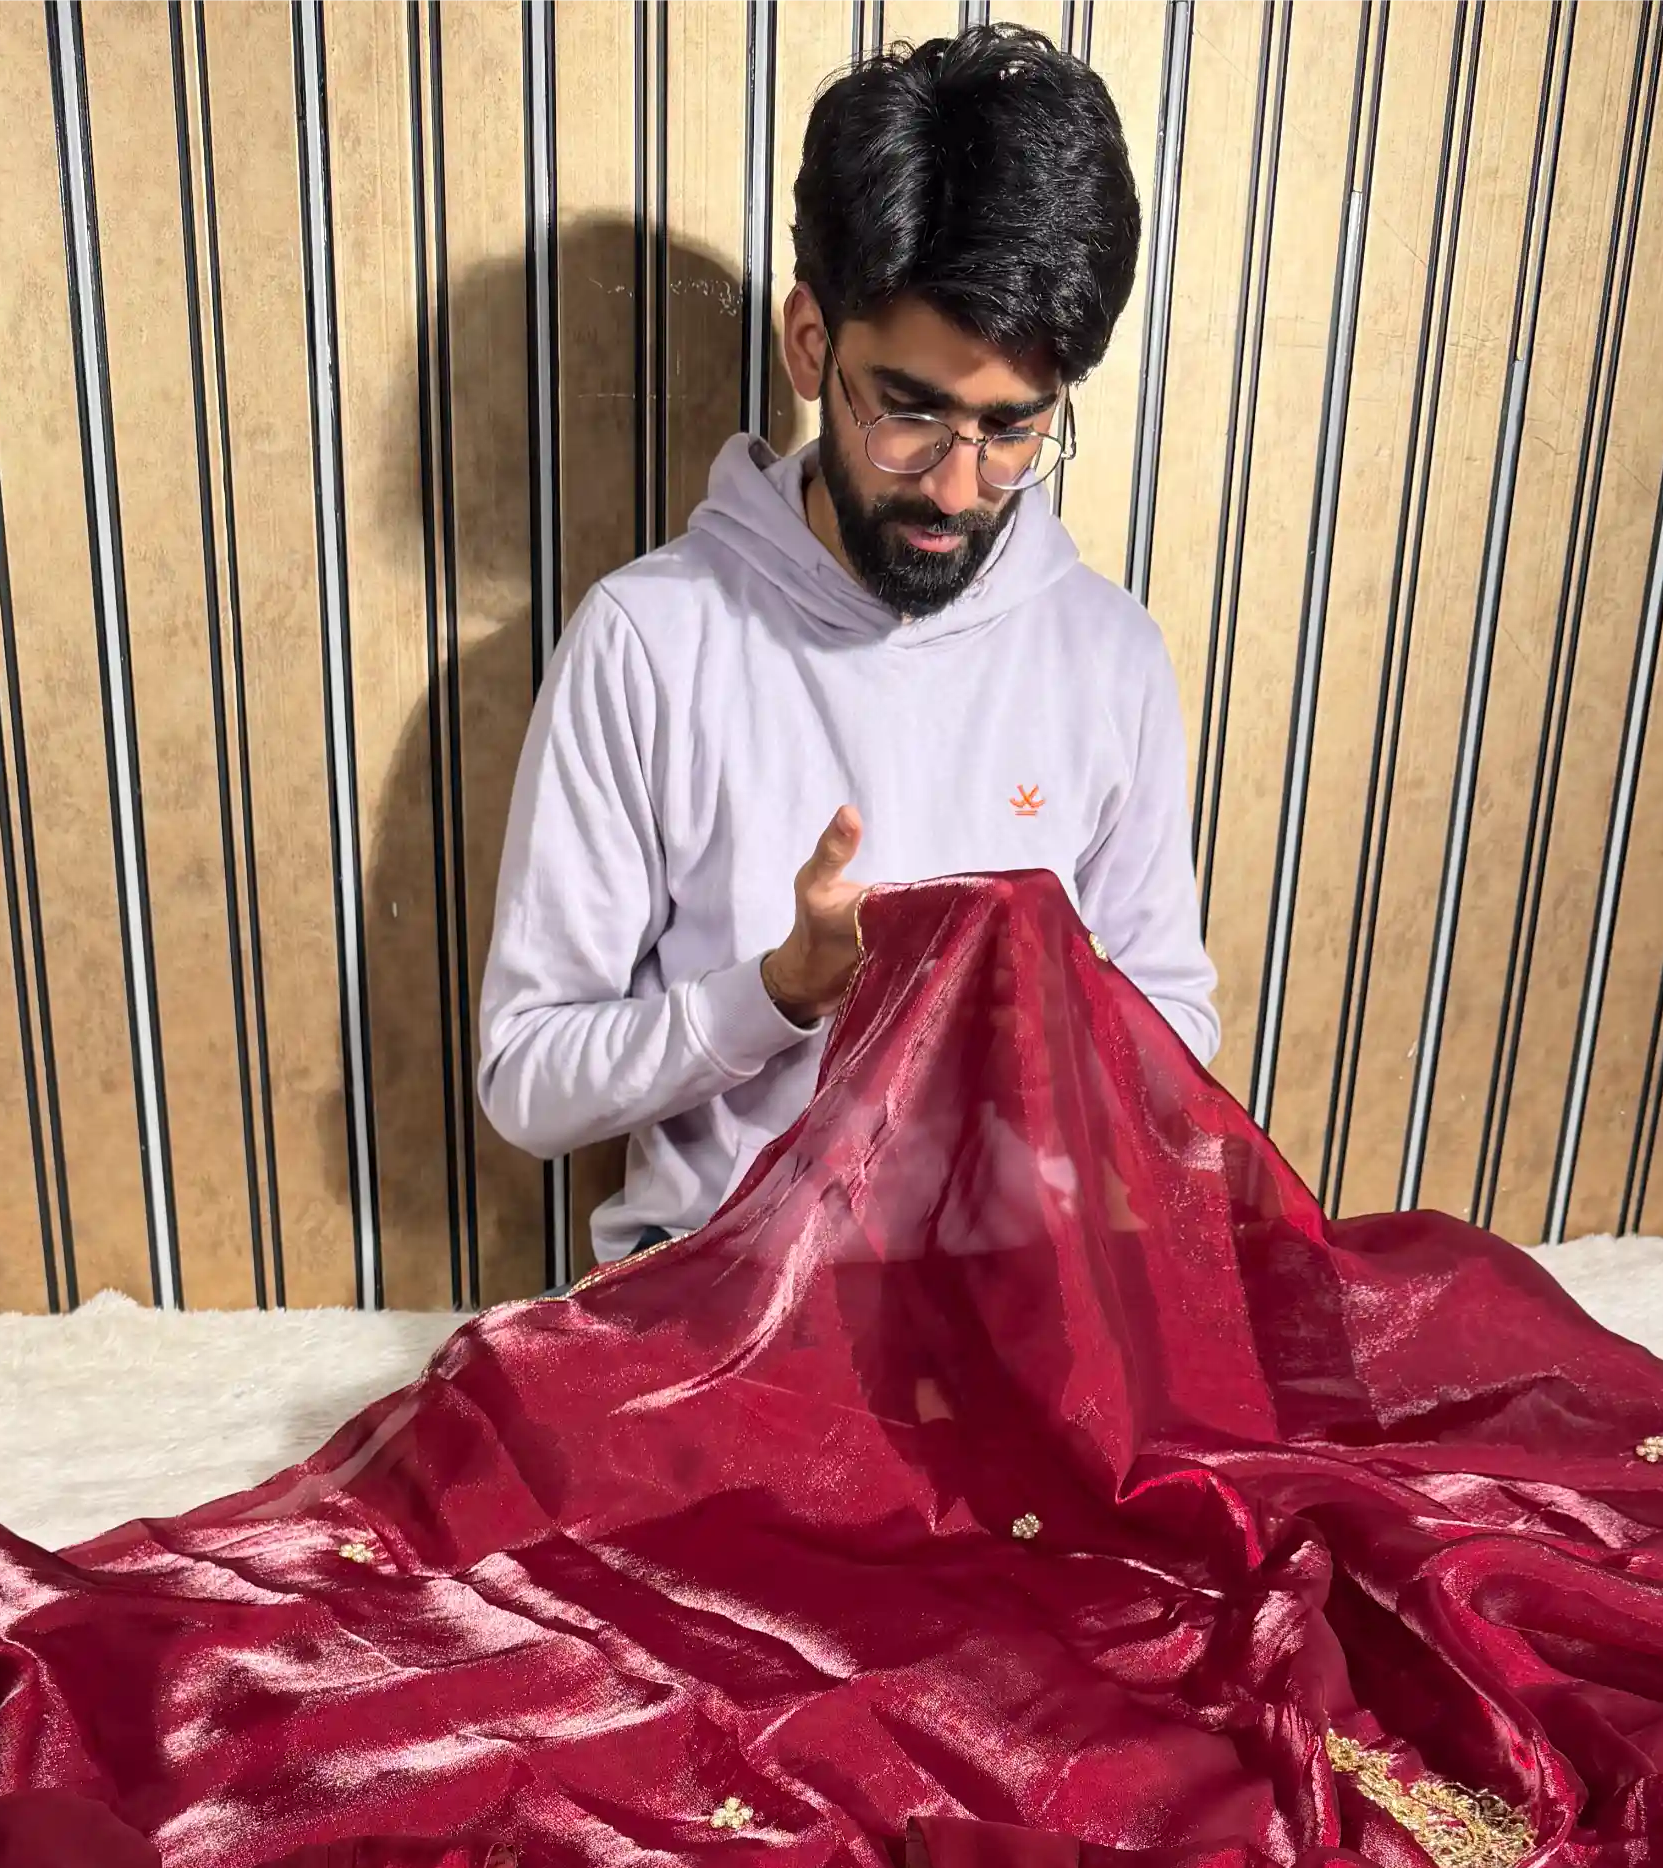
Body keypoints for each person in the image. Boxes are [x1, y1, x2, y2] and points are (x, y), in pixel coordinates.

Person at [477, 23, 1218, 1265]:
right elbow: (526, 1081)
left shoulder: (1108, 653)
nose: (957, 486)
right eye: (910, 414)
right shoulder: (648, 643)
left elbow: (1174, 1020)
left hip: (1016, 1299)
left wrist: (1051, 1020)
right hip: (723, 1307)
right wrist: (776, 993)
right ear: (811, 343)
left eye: (1013, 429)